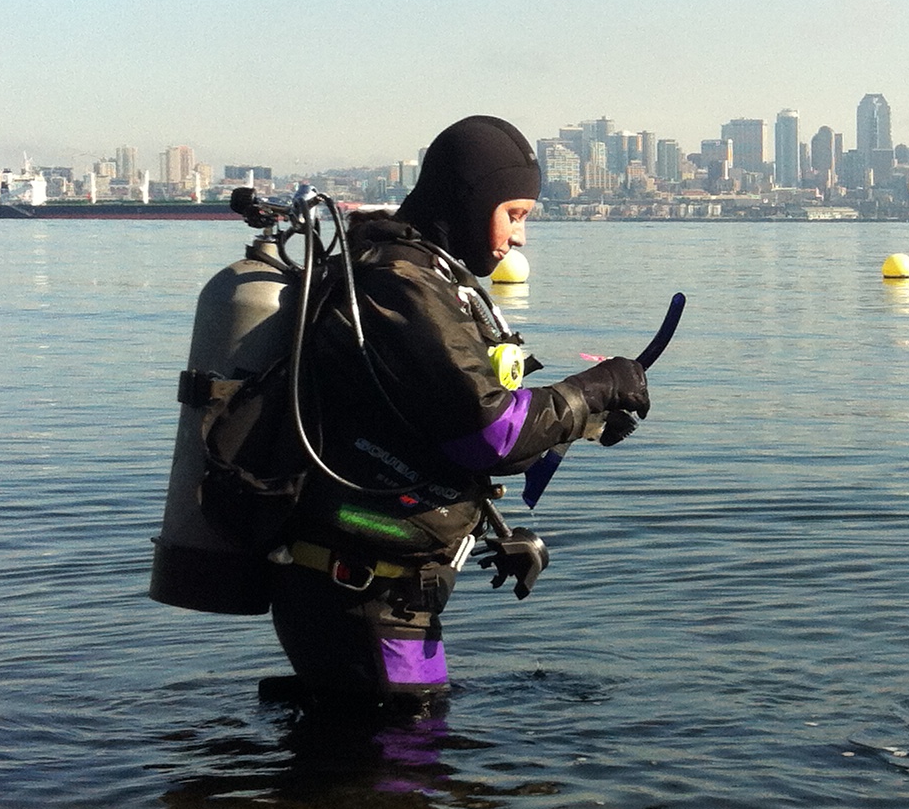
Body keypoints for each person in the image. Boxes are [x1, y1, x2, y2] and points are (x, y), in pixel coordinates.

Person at [269, 115, 650, 717]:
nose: (519, 238)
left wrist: (505, 525)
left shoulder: (424, 274)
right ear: (470, 201)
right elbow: (489, 433)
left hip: (379, 584)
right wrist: (595, 389)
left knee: (393, 762)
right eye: (515, 213)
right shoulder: (401, 282)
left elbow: (427, 433)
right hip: (362, 588)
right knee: (404, 775)